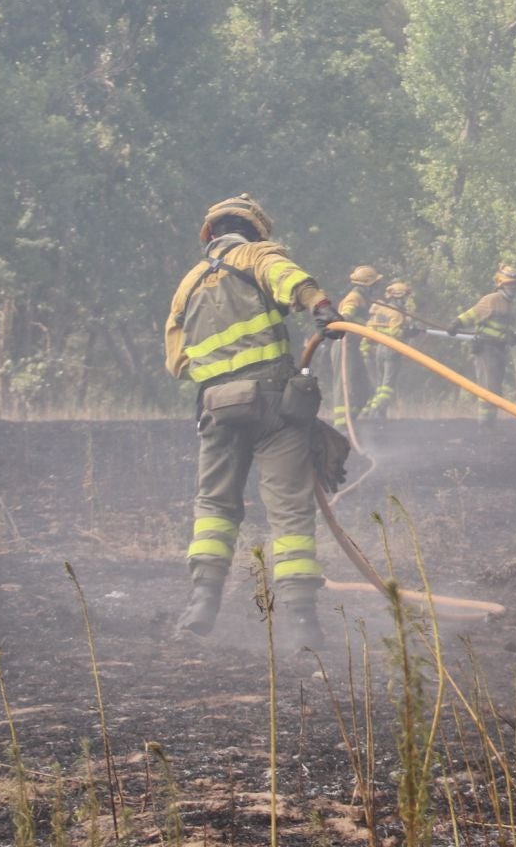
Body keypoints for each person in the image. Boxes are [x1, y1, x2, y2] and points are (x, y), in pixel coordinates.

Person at [164, 193, 342, 649]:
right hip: (273, 406)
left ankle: (201, 602)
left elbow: (176, 362)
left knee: (215, 508)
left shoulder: (188, 284)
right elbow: (292, 280)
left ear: (209, 234)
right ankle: (303, 623)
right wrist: (322, 308)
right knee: (289, 510)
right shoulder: (256, 254)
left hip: (217, 408)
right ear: (256, 232)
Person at [455, 264, 516, 424]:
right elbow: (472, 314)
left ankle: (490, 421)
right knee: (487, 387)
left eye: (515, 284)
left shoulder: (510, 305)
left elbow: (506, 330)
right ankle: (485, 423)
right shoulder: (492, 299)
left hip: (499, 350)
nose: (513, 288)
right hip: (486, 348)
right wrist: (456, 323)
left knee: (496, 387)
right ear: (501, 284)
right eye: (509, 284)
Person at [331, 265, 382, 431]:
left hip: (354, 346)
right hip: (344, 344)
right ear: (367, 285)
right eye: (375, 285)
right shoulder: (354, 298)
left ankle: (350, 420)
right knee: (344, 385)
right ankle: (340, 426)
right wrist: (361, 325)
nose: (377, 288)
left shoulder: (364, 299)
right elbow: (346, 316)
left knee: (364, 388)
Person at [359, 279, 416, 421]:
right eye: (405, 298)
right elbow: (395, 334)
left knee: (378, 386)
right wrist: (408, 333)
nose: (406, 301)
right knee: (387, 387)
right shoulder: (396, 314)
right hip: (391, 349)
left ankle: (367, 414)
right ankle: (377, 412)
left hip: (377, 348)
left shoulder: (381, 309)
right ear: (400, 297)